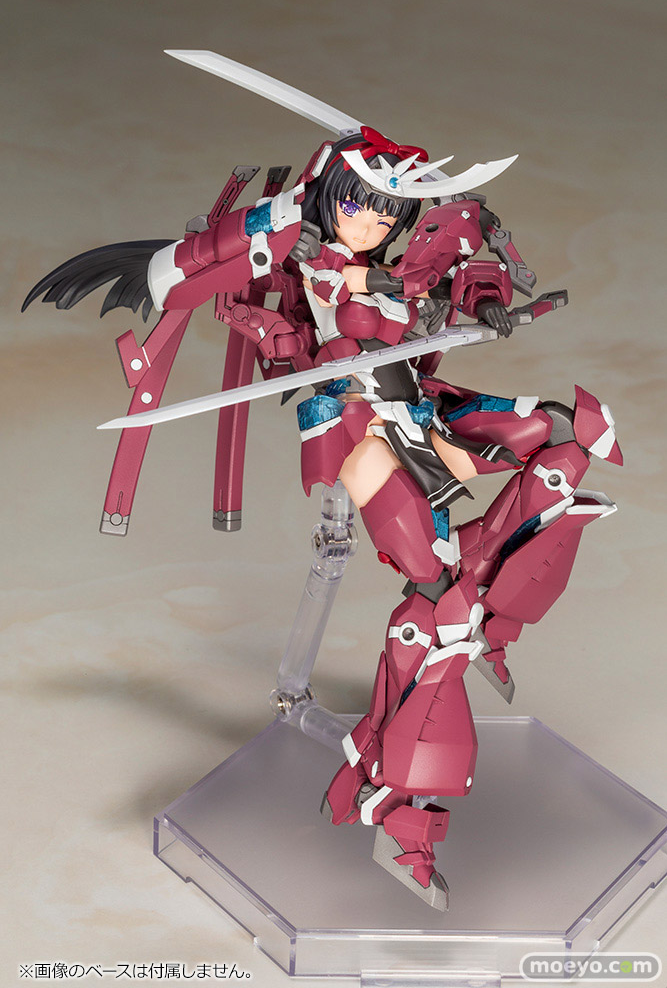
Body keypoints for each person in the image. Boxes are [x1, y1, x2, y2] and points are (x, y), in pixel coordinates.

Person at [23, 120, 622, 912]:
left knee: (571, 435)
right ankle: (399, 813)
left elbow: (463, 264)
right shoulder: (303, 250)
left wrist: (482, 298)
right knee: (435, 613)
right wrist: (250, 250)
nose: (371, 224)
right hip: (357, 428)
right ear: (328, 197)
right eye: (358, 206)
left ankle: (492, 619)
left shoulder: (403, 261)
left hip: (422, 406)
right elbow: (192, 271)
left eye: (387, 213)